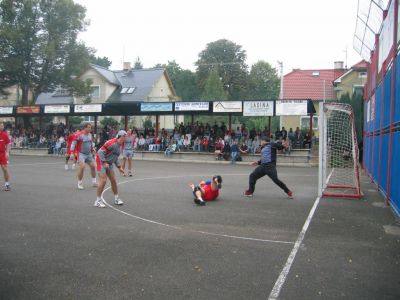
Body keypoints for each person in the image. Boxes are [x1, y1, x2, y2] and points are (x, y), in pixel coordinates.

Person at [94, 130, 127, 208]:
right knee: (103, 180)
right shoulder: (112, 143)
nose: (126, 138)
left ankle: (116, 198)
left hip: (109, 163)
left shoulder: (120, 145)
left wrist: (119, 167)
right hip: (101, 161)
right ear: (121, 136)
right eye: (125, 136)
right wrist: (104, 162)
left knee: (113, 180)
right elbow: (100, 152)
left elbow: (115, 157)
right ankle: (97, 201)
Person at [70, 123, 97, 190]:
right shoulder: (79, 135)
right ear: (85, 128)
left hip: (89, 154)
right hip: (81, 154)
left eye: (91, 127)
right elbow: (73, 143)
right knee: (82, 167)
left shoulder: (90, 135)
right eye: (89, 127)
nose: (90, 129)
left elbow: (91, 143)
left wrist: (93, 149)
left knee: (93, 166)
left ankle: (94, 182)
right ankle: (80, 183)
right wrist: (71, 153)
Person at [0, 122, 11, 191]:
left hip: (2, 153)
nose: (1, 127)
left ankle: (7, 184)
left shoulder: (4, 135)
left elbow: (8, 143)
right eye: (0, 126)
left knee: (4, 169)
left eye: (2, 126)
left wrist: (7, 152)